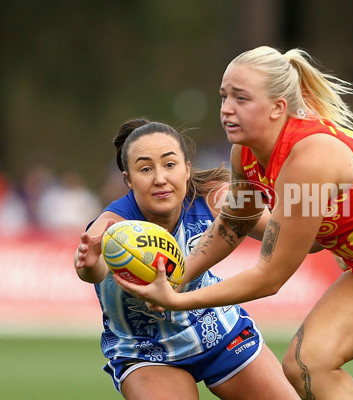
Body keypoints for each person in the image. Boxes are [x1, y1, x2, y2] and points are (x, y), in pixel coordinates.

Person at [115, 46, 353, 399]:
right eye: (224, 96)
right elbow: (235, 223)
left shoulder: (309, 159)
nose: (226, 109)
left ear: (278, 108)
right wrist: (178, 275)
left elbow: (269, 277)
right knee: (306, 364)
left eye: (241, 98)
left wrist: (178, 300)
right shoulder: (244, 152)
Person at [73, 118, 298, 400]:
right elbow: (93, 270)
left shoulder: (217, 196)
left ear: (187, 168)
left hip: (218, 331)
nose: (160, 178)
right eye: (145, 169)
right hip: (146, 351)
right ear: (128, 179)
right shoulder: (113, 225)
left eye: (169, 164)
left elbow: (285, 232)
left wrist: (331, 226)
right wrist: (89, 262)